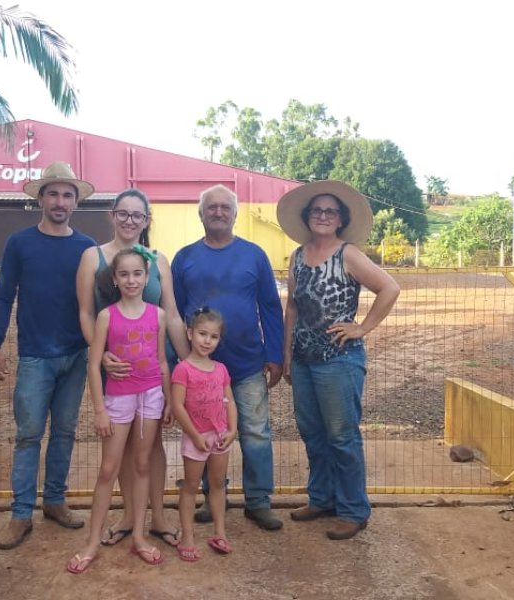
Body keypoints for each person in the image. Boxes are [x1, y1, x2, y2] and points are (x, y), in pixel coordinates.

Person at [277, 180, 400, 540]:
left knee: (341, 436)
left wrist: (362, 327)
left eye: (330, 211)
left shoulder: (348, 254)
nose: (323, 215)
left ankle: (353, 510)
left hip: (339, 359)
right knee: (313, 434)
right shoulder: (297, 257)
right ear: (307, 216)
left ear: (341, 219)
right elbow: (293, 307)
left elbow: (389, 288)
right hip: (302, 360)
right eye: (317, 210)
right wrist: (286, 353)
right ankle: (321, 498)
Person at [0, 161, 96, 550]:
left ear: (76, 202)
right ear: (40, 199)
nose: (60, 200)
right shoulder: (20, 243)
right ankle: (20, 514)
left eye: (67, 194)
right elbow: (3, 294)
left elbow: (98, 302)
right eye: (53, 193)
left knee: (64, 432)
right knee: (29, 434)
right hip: (34, 356)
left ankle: (54, 500)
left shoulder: (87, 248)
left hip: (75, 355)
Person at [75, 188, 189, 548]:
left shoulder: (158, 260)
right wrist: (101, 350)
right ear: (112, 215)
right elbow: (85, 312)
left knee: (152, 445)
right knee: (119, 447)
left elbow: (170, 314)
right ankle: (127, 516)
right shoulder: (92, 257)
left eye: (136, 215)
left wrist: (188, 363)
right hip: (111, 364)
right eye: (122, 213)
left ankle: (158, 516)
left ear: (146, 220)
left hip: (150, 366)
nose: (129, 221)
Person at [171, 184, 285, 531]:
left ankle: (259, 501)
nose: (218, 212)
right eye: (212, 207)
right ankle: (211, 496)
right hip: (200, 371)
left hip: (248, 362)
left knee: (254, 432)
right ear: (201, 214)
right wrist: (175, 361)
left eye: (225, 207)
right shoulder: (185, 257)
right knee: (205, 430)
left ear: (235, 214)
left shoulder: (255, 255)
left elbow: (269, 306)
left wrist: (275, 353)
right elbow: (172, 313)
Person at [67, 248, 172, 573]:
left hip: (151, 397)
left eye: (137, 274)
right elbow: (94, 363)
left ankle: (139, 536)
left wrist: (168, 400)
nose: (131, 280)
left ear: (146, 277)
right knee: (107, 470)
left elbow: (162, 361)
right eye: (124, 274)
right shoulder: (106, 316)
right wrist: (99, 410)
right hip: (118, 400)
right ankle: (92, 543)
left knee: (142, 464)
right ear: (114, 279)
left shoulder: (158, 315)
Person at [171, 308, 238, 561]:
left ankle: (220, 532)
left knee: (218, 484)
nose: (207, 341)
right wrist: (195, 435)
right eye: (202, 334)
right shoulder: (183, 370)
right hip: (195, 437)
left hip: (219, 436)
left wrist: (232, 429)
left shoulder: (220, 369)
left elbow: (229, 400)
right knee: (190, 486)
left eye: (214, 336)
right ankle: (187, 537)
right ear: (190, 333)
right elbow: (178, 406)